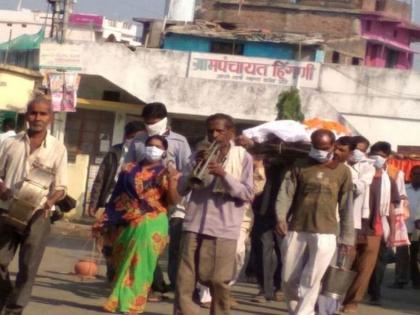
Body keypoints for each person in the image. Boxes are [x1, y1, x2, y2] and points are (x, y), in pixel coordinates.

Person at [174, 113, 254, 315]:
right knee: (186, 278)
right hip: (194, 223)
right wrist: (194, 165)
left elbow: (247, 193)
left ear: (231, 132)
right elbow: (182, 189)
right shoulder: (197, 154)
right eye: (211, 131)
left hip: (223, 227)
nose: (215, 135)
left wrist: (223, 174)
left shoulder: (243, 157)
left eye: (220, 130)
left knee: (219, 280)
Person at [0, 97, 68, 315]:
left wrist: (50, 201)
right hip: (6, 209)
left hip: (39, 213)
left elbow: (61, 187)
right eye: (33, 113)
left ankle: (15, 308)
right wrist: (1, 187)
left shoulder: (58, 148)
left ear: (51, 117)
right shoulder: (10, 143)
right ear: (26, 115)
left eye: (43, 114)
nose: (37, 118)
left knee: (28, 267)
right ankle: (6, 293)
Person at [275, 129, 354, 315]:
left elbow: (346, 207)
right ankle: (296, 311)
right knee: (288, 279)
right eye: (316, 147)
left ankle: (305, 313)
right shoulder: (299, 166)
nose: (319, 151)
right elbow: (285, 195)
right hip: (297, 228)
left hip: (326, 233)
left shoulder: (343, 172)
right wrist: (280, 217)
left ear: (333, 146)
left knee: (311, 279)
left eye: (324, 148)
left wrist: (347, 238)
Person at [102, 135, 181, 314]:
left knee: (141, 263)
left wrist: (173, 181)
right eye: (150, 145)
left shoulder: (166, 172)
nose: (153, 148)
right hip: (126, 221)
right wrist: (107, 218)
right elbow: (116, 196)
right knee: (122, 261)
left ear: (164, 151)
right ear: (144, 147)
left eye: (158, 146)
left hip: (152, 221)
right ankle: (118, 300)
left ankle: (132, 304)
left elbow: (174, 200)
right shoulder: (128, 169)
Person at [125, 102, 191, 297]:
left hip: (174, 203)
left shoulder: (179, 142)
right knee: (146, 247)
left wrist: (176, 182)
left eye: (153, 122)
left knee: (175, 249)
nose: (150, 126)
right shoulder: (138, 141)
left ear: (164, 120)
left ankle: (175, 287)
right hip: (144, 205)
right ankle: (151, 285)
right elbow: (128, 168)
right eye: (146, 122)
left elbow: (187, 172)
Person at [198, 155, 266, 308]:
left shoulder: (252, 166)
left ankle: (224, 290)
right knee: (210, 253)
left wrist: (259, 167)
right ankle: (207, 294)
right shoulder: (223, 160)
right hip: (217, 213)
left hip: (243, 217)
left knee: (238, 253)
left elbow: (257, 190)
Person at [318, 136, 375, 315]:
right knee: (321, 266)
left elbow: (359, 187)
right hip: (325, 222)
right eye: (336, 148)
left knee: (340, 267)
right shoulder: (326, 167)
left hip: (349, 224)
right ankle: (317, 306)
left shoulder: (363, 170)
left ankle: (331, 307)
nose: (337, 153)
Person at [343, 141, 400, 311]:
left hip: (374, 230)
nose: (377, 158)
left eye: (382, 155)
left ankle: (352, 302)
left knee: (365, 270)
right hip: (352, 227)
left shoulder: (389, 181)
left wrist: (392, 232)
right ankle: (336, 296)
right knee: (345, 265)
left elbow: (390, 207)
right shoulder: (357, 174)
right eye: (374, 153)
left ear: (387, 158)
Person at [89, 121, 144, 281]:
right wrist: (94, 202)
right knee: (107, 239)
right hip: (111, 201)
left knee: (129, 240)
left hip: (133, 205)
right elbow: (101, 177)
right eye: (135, 138)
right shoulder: (115, 152)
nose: (137, 142)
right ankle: (112, 270)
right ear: (127, 136)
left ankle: (125, 274)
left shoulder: (144, 156)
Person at [248, 158, 284, 304]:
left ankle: (280, 286)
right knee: (263, 252)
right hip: (262, 212)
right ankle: (264, 289)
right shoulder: (259, 163)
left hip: (285, 216)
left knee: (285, 253)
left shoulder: (292, 165)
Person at [403, 166, 420, 289]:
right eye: (415, 174)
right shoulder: (404, 189)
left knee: (416, 255)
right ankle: (400, 280)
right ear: (410, 175)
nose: (417, 176)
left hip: (418, 230)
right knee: (402, 255)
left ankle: (416, 281)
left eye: (419, 174)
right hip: (404, 227)